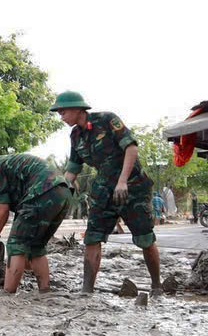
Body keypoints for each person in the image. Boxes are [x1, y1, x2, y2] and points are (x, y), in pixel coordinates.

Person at [52, 91, 161, 295]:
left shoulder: (107, 119)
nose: (61, 116)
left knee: (145, 238)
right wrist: (62, 192)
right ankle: (87, 290)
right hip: (103, 191)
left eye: (63, 111)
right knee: (92, 237)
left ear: (77, 109)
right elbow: (73, 169)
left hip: (133, 187)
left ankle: (157, 286)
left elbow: (131, 148)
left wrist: (122, 181)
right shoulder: (75, 136)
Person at [0, 148, 71, 293]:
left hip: (41, 191)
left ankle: (8, 294)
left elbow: (3, 209)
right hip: (63, 193)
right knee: (35, 248)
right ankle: (45, 292)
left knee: (15, 245)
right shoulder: (0, 174)